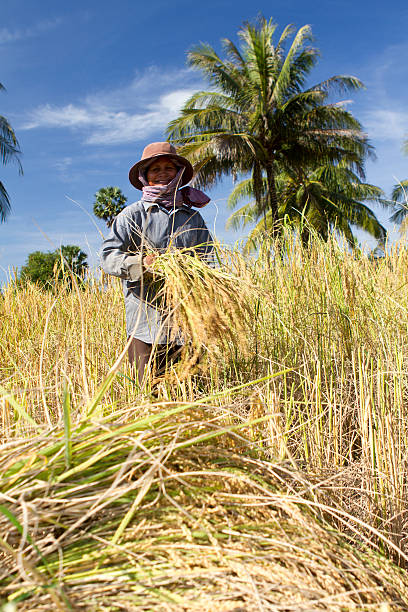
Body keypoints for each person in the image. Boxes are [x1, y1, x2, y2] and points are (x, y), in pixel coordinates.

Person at [100, 142, 213, 383]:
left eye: (169, 168)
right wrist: (142, 263)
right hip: (146, 324)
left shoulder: (192, 217)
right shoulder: (133, 215)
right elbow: (108, 257)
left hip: (187, 323)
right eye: (155, 169)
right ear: (145, 176)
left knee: (191, 393)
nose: (162, 173)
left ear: (178, 173)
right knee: (148, 395)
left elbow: (209, 259)